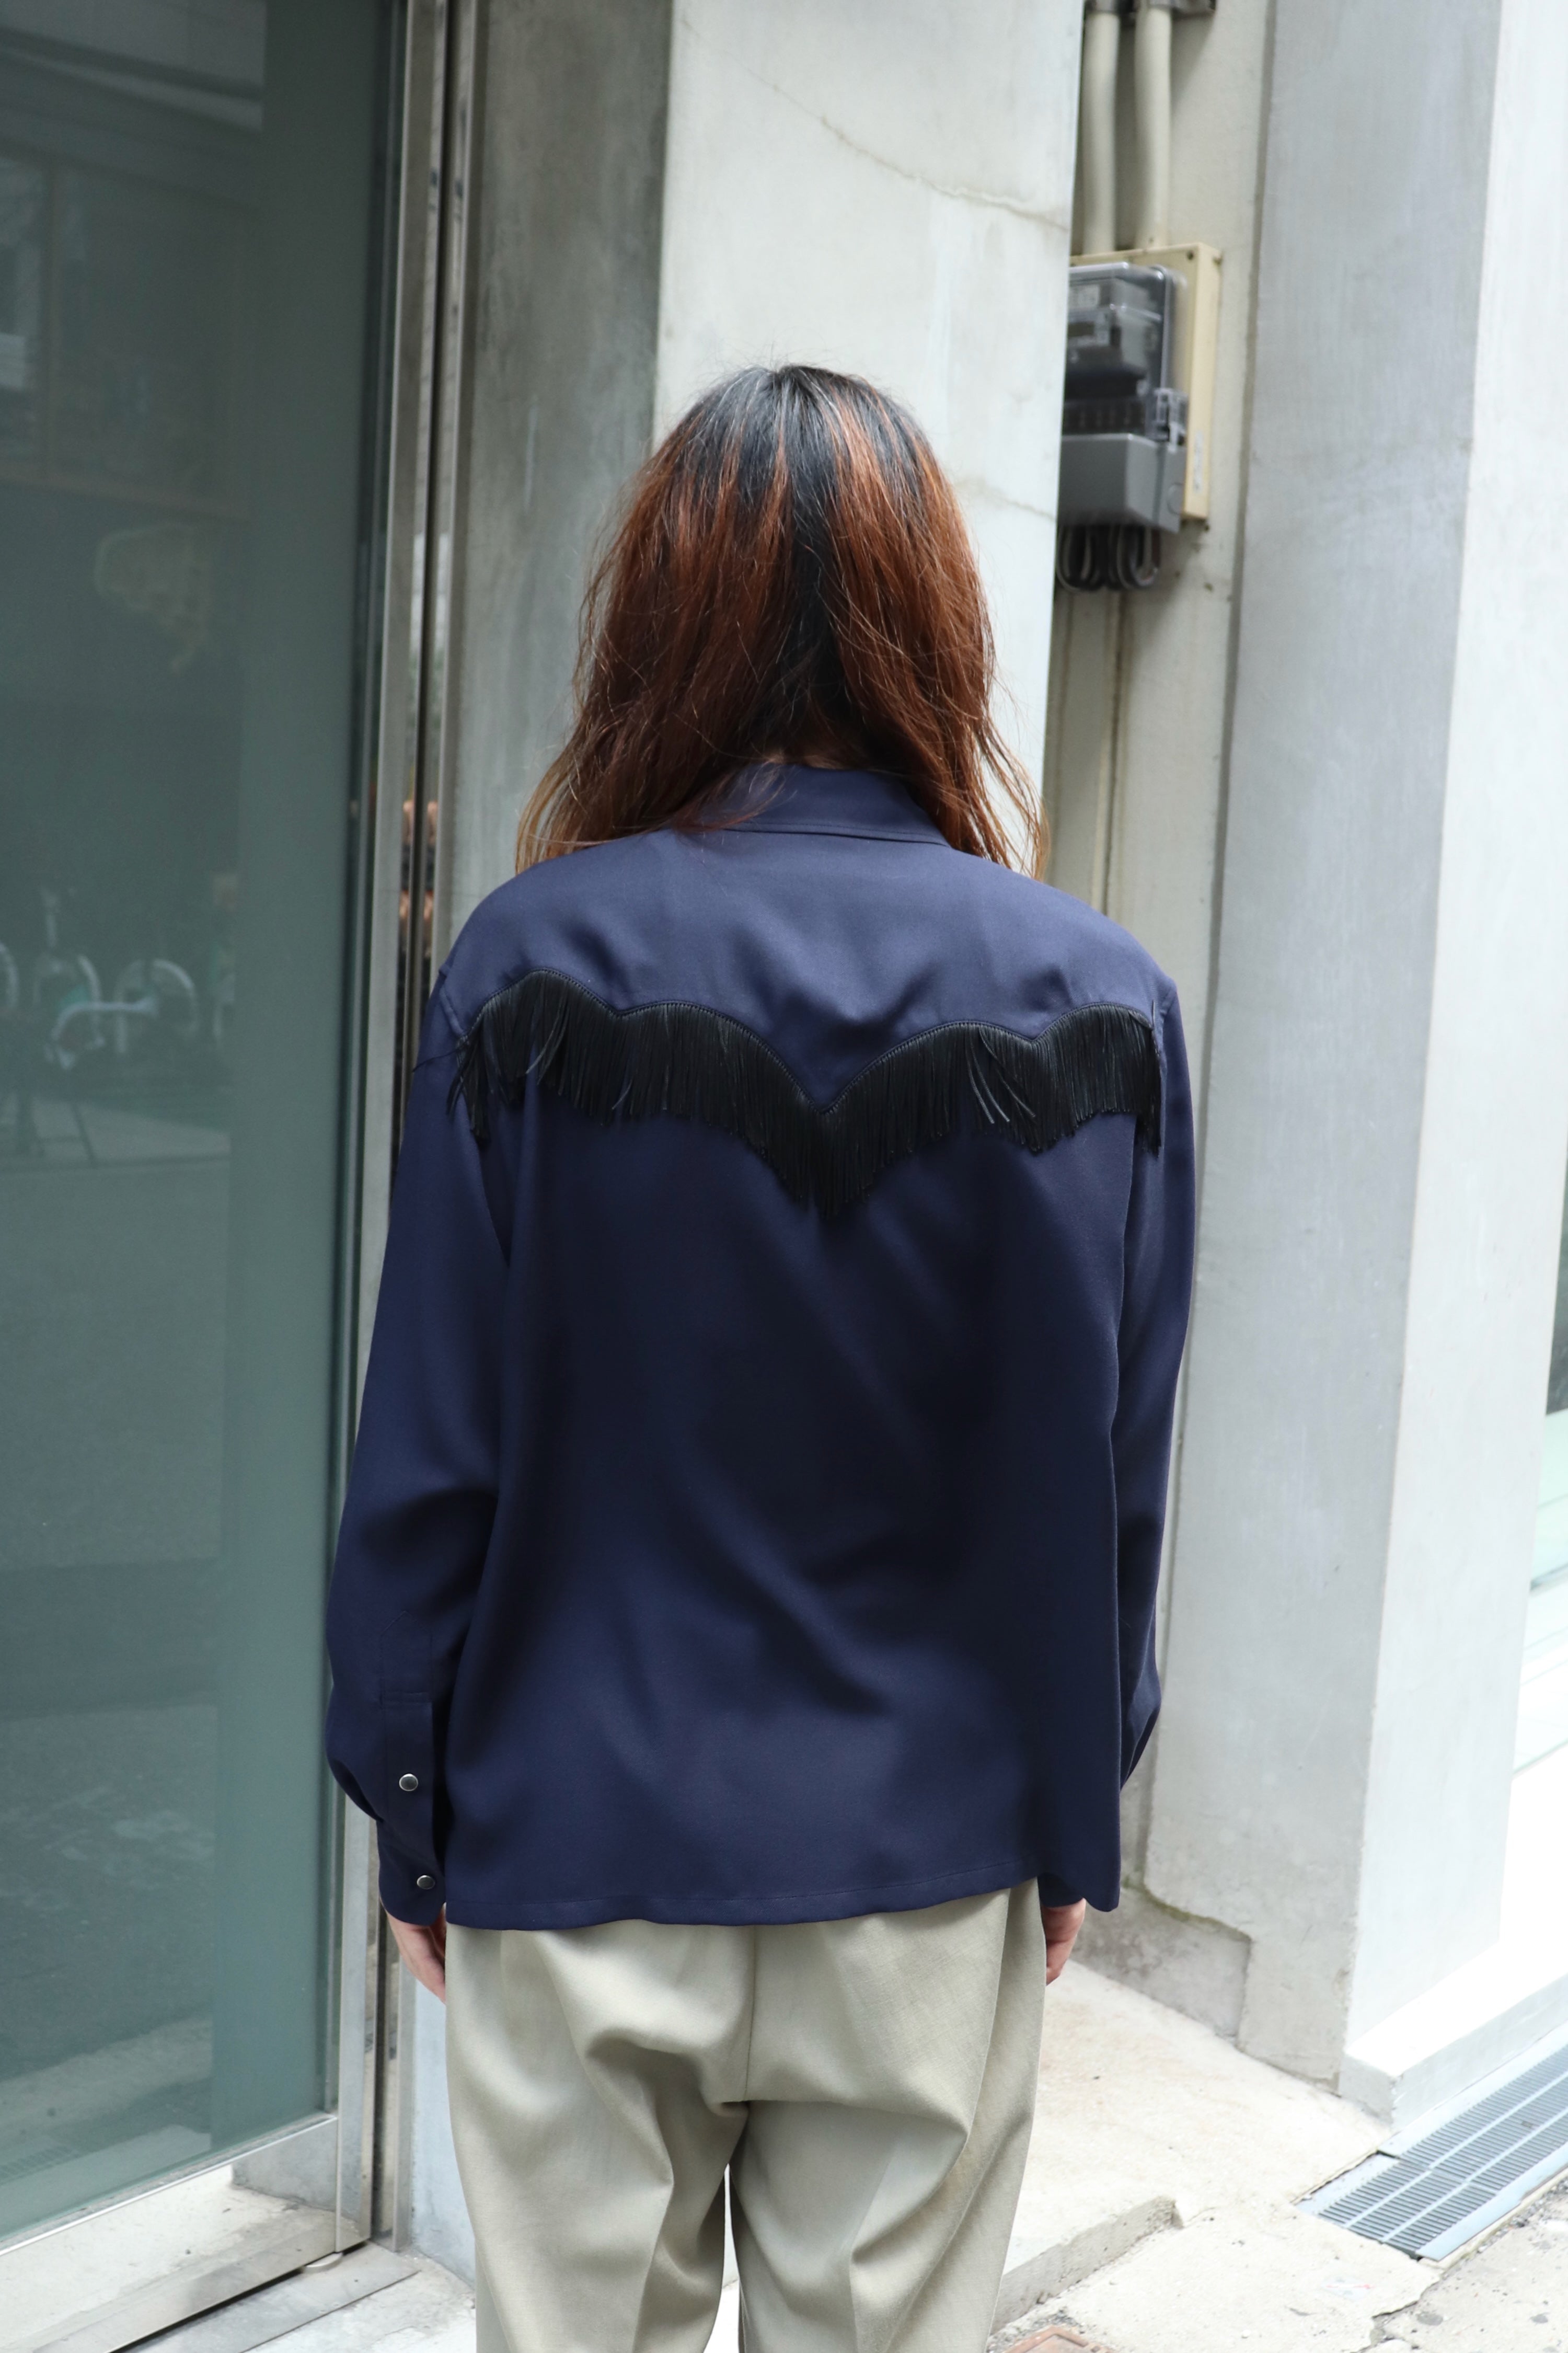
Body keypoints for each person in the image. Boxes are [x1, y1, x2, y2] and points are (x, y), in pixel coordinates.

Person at [325, 364, 1195, 2353]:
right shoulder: (1101, 1001)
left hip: (575, 1848)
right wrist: (1076, 1809)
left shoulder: (529, 962)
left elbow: (431, 1453)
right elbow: (1111, 1481)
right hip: (927, 1863)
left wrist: (412, 1804)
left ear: (656, 622)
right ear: (940, 627)